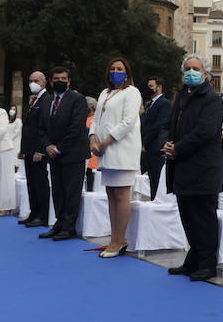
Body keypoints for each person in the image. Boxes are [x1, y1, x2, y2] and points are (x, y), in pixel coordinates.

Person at [164, 54, 223, 279]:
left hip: (203, 169)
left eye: (195, 68)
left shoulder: (212, 100)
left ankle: (208, 263)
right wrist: (168, 142)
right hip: (181, 167)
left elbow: (204, 133)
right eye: (187, 68)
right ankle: (194, 257)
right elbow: (170, 125)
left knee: (204, 218)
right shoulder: (181, 97)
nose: (190, 72)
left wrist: (177, 148)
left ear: (206, 74)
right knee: (187, 216)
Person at [91, 57, 143, 257]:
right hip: (105, 152)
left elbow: (128, 121)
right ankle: (115, 238)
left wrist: (104, 143)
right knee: (111, 194)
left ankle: (119, 239)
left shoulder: (132, 92)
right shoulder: (105, 93)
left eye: (120, 68)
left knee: (121, 195)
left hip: (121, 150)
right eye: (112, 68)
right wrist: (92, 139)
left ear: (127, 72)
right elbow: (96, 119)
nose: (115, 71)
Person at [39, 66, 91, 241]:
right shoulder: (46, 101)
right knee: (58, 191)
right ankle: (59, 223)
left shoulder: (78, 99)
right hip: (53, 154)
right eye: (56, 79)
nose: (60, 82)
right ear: (51, 81)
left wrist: (59, 147)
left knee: (71, 191)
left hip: (72, 153)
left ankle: (69, 228)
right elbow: (42, 128)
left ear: (69, 81)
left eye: (63, 79)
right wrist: (47, 146)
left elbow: (76, 127)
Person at [20, 72, 50, 227]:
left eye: (36, 81)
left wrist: (41, 150)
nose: (33, 83)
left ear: (44, 82)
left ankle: (42, 215)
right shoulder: (34, 100)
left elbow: (44, 127)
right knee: (31, 182)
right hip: (29, 149)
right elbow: (28, 127)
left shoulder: (46, 100)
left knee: (40, 182)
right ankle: (33, 212)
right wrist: (23, 149)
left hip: (38, 150)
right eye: (31, 80)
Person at [140, 74, 172, 199]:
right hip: (148, 147)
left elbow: (158, 126)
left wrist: (146, 143)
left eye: (151, 86)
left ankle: (156, 200)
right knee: (151, 179)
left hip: (155, 147)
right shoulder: (150, 104)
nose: (148, 88)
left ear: (159, 87)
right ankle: (153, 199)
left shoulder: (164, 103)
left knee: (157, 178)